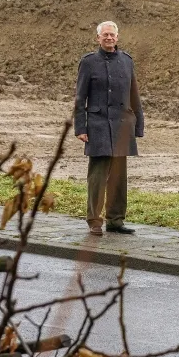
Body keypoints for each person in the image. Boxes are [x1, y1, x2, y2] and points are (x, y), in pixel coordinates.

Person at [74, 21, 144, 237]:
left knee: (118, 178)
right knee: (97, 177)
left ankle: (116, 220)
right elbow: (80, 97)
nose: (109, 38)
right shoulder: (88, 62)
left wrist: (138, 125)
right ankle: (95, 221)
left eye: (112, 35)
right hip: (98, 126)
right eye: (105, 35)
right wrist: (80, 127)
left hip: (122, 127)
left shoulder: (126, 61)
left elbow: (134, 95)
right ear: (98, 38)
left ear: (117, 37)